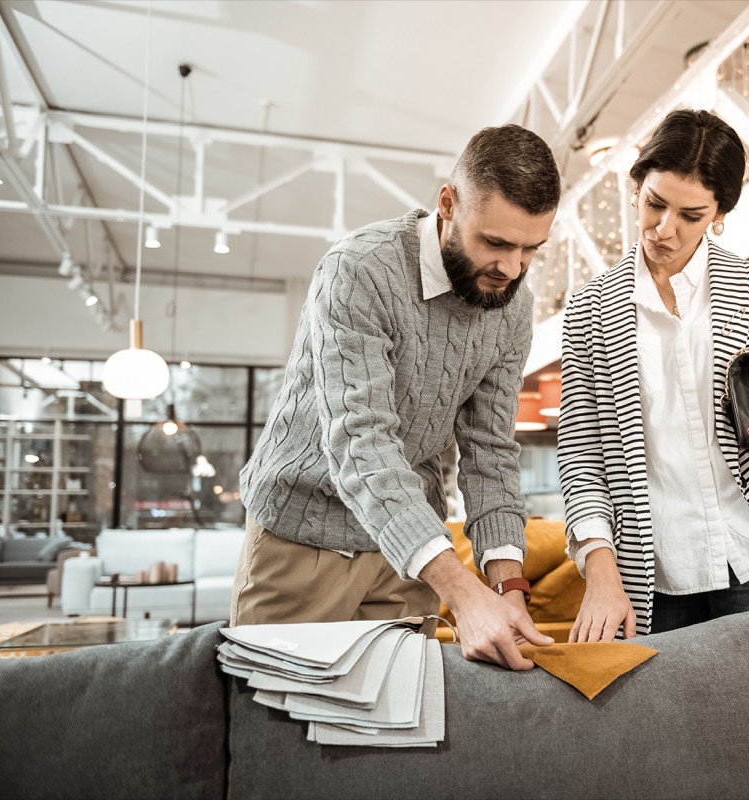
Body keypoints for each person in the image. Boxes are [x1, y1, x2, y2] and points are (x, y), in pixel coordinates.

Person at [233, 124, 560, 671]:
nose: (511, 268)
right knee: (273, 708)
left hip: (411, 554)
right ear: (448, 204)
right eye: (496, 243)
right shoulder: (360, 270)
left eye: (531, 249)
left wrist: (508, 586)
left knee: (399, 712)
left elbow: (490, 449)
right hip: (303, 536)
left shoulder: (513, 305)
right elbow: (361, 443)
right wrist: (461, 591)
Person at [557, 109, 749, 640]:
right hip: (653, 575)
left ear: (719, 214)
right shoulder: (589, 309)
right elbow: (581, 458)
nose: (664, 229)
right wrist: (599, 568)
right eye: (654, 204)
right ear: (637, 188)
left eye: (691, 215)